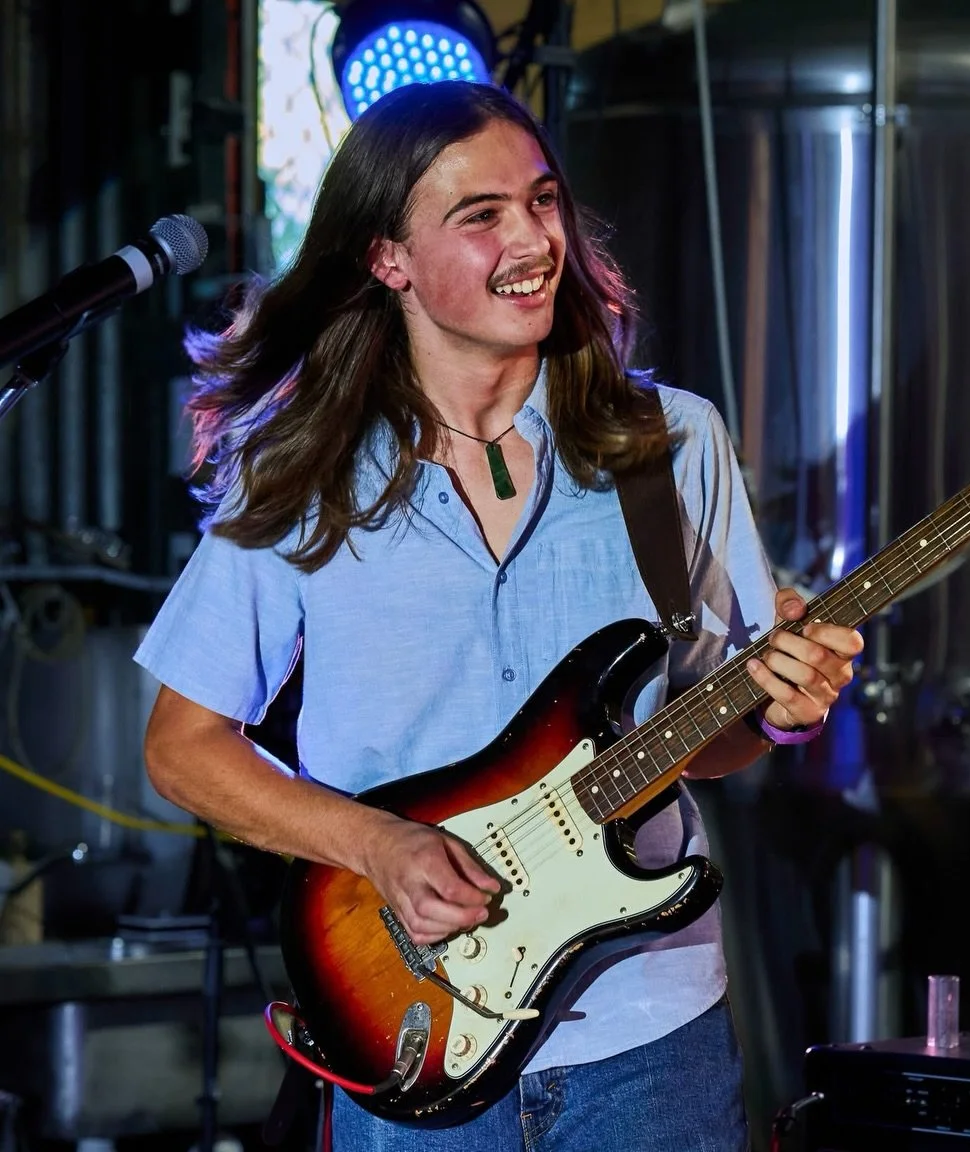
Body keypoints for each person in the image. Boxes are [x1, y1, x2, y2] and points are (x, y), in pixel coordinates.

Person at [135, 79, 864, 1152]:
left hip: (649, 1040)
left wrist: (778, 715)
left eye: (543, 201)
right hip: (415, 1028)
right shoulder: (297, 472)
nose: (534, 239)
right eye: (482, 216)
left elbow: (702, 745)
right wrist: (378, 847)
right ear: (390, 258)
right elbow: (183, 750)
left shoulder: (670, 446)